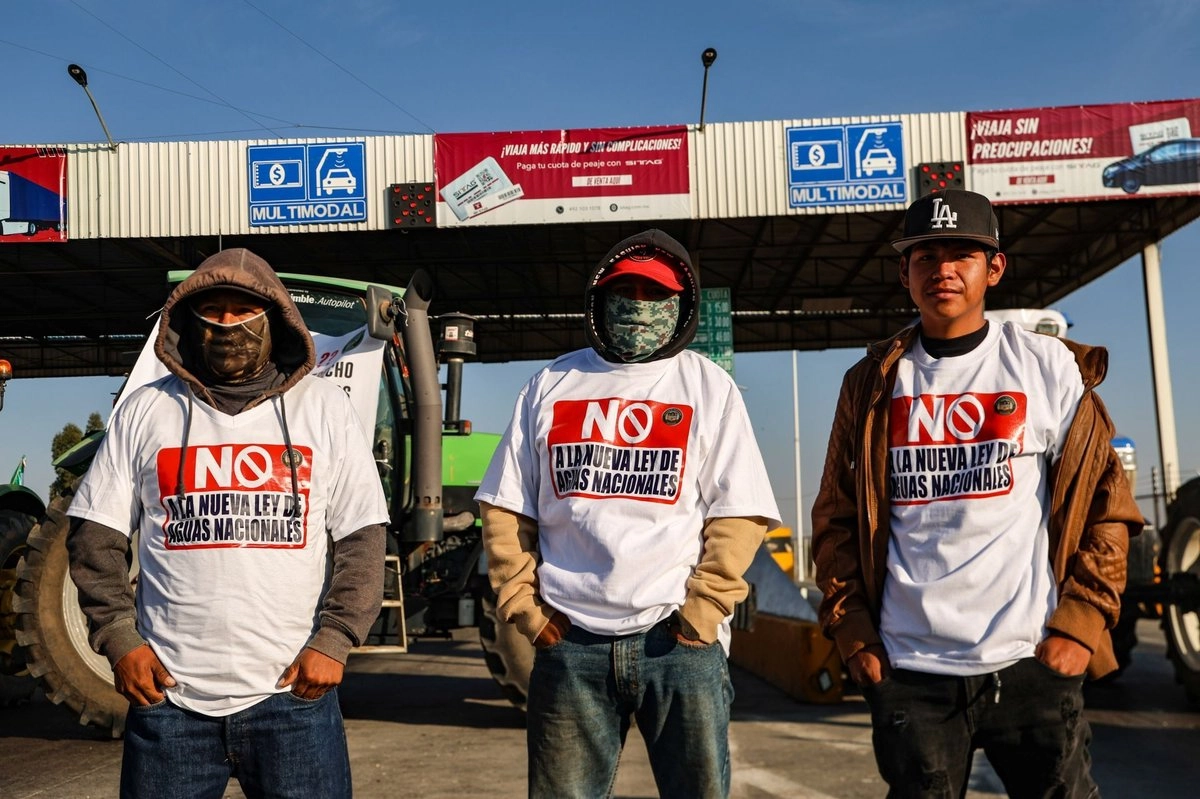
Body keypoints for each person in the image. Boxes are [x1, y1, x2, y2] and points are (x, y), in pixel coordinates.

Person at [811, 189, 1144, 798]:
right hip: (911, 671)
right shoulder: (870, 384)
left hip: (1031, 660)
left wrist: (1081, 624)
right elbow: (835, 517)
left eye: (961, 254)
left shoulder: (1046, 366)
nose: (942, 269)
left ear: (994, 268)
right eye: (925, 256)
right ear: (904, 273)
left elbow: (1108, 506)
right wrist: (855, 636)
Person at [67, 248, 388, 799]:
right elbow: (95, 536)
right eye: (212, 310)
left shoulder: (323, 409)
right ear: (189, 321)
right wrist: (120, 638)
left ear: (275, 319)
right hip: (170, 702)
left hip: (293, 697)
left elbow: (362, 536)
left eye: (243, 310)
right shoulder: (146, 410)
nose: (227, 323)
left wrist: (335, 639)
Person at [475, 228, 780, 799]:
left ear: (682, 304)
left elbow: (740, 513)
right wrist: (529, 612)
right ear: (600, 298)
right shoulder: (550, 384)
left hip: (678, 645)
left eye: (655, 294)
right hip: (569, 644)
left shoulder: (708, 387)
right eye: (626, 292)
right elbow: (505, 508)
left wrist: (701, 613)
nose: (639, 307)